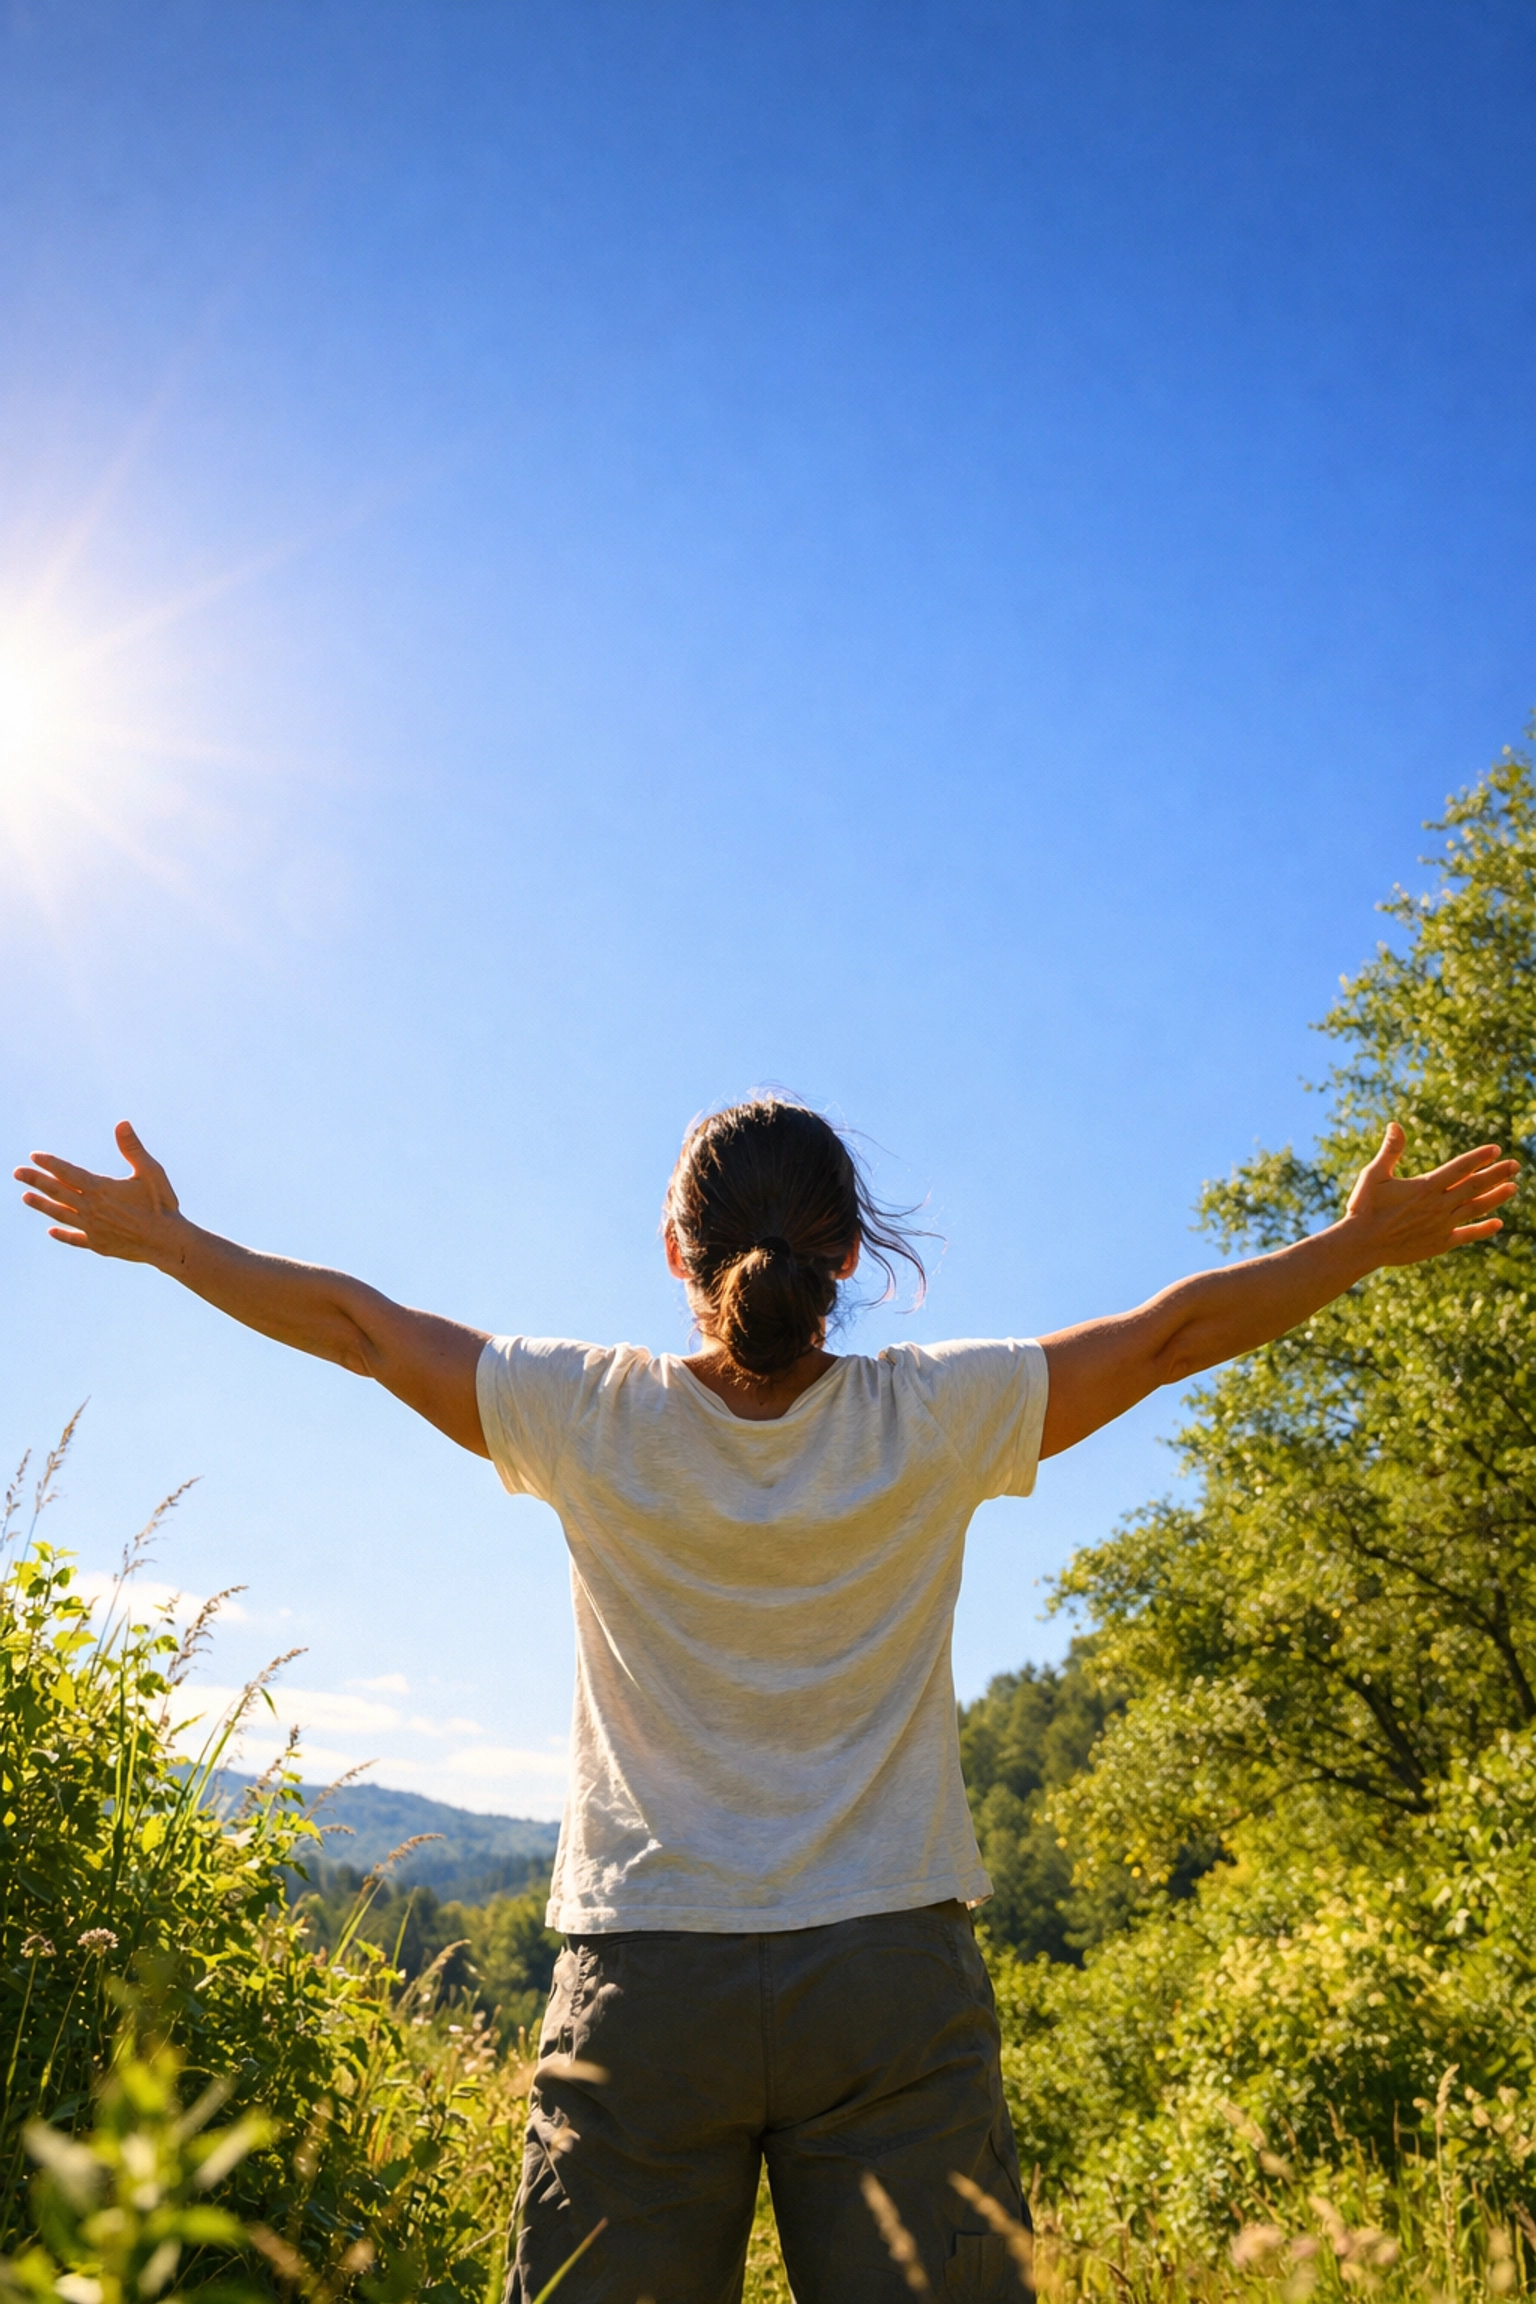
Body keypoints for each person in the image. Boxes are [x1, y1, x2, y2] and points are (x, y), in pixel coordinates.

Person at [14, 1098, 1517, 2303]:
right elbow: (1176, 1333)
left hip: (645, 1985)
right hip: (890, 1984)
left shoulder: (587, 1413)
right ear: (850, 1254)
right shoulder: (938, 1414)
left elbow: (356, 1323)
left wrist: (177, 1245)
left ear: (677, 1251)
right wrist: (1352, 1247)